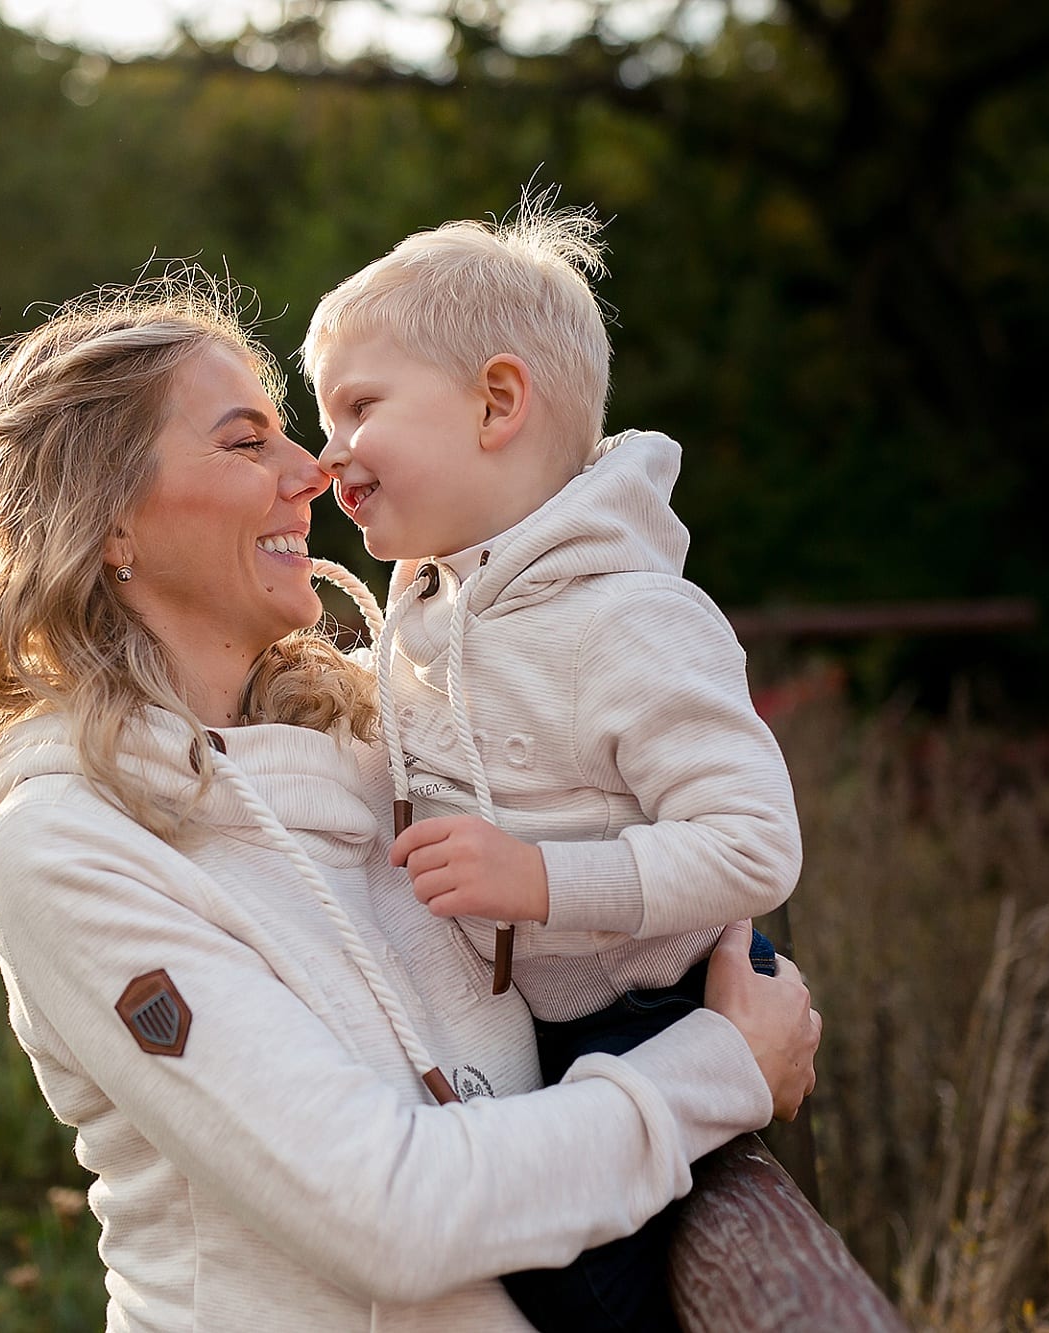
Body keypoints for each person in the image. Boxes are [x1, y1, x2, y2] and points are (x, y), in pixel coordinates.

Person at [0, 272, 821, 1332]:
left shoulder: (379, 751)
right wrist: (717, 1068)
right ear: (109, 524)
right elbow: (390, 1212)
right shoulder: (71, 842)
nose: (313, 469)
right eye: (247, 442)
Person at [303, 200, 806, 1330]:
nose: (329, 450)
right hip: (524, 1027)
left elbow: (754, 845)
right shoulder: (429, 616)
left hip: (652, 1008)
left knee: (577, 1293)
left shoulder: (629, 618)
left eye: (357, 406)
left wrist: (537, 879)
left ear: (495, 402)